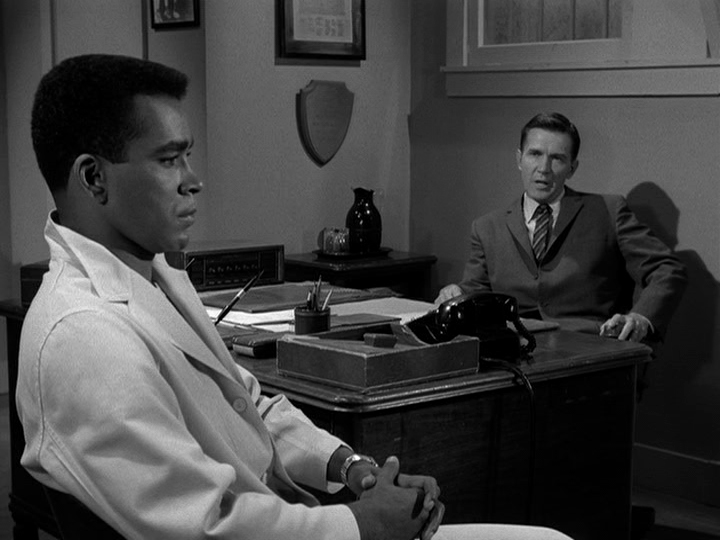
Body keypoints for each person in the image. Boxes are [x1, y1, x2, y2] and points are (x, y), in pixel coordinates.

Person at [16, 54, 573, 540]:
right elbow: (206, 526)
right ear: (93, 178)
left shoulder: (155, 275)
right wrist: (364, 524)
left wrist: (354, 469)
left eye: (187, 156)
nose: (193, 179)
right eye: (169, 159)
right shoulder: (83, 336)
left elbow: (249, 405)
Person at [436, 112, 687, 344]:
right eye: (535, 154)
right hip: (513, 348)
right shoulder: (487, 227)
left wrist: (641, 318)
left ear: (572, 168)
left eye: (557, 158)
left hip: (588, 347)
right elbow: (475, 293)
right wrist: (455, 293)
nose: (543, 169)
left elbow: (666, 269)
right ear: (519, 159)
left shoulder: (609, 211)